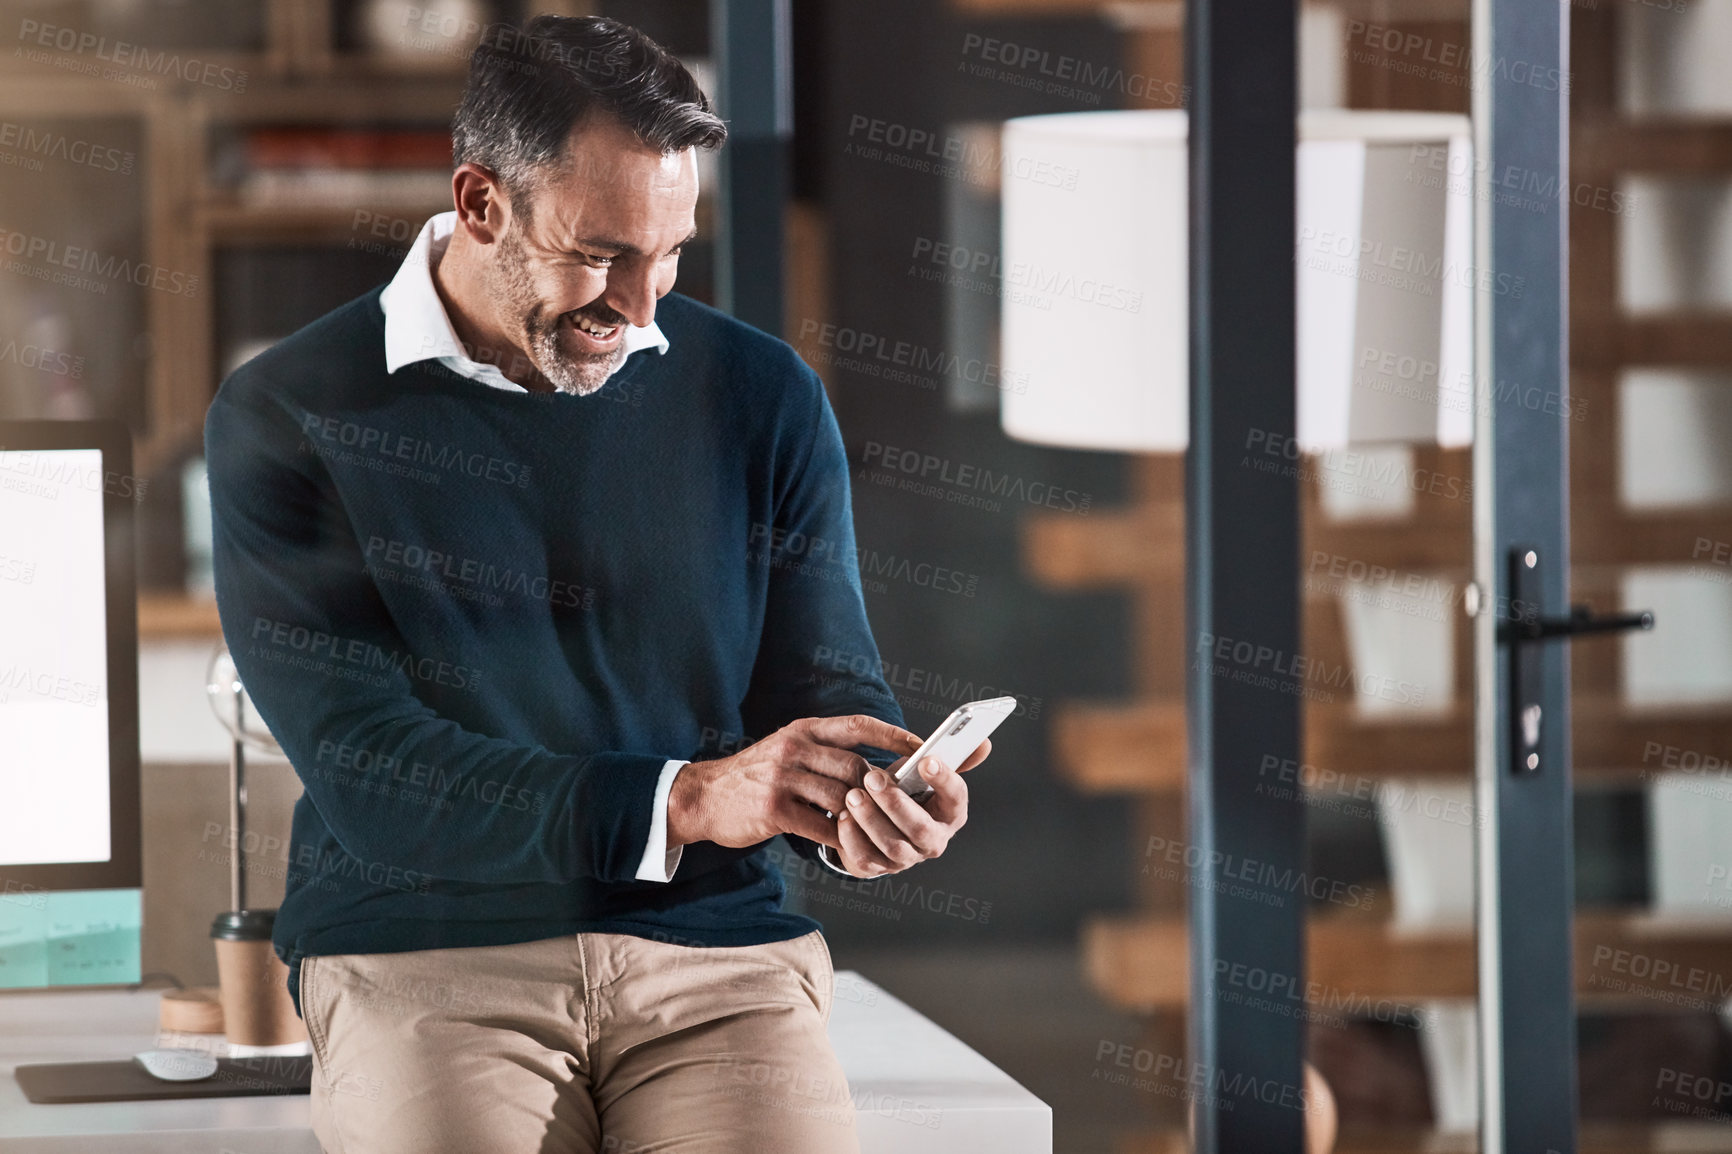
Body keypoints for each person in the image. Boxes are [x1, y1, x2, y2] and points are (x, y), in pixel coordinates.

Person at [205, 15, 989, 1154]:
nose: (641, 303)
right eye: (600, 251)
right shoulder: (289, 414)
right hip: (423, 953)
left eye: (670, 251)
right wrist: (685, 797)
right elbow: (375, 774)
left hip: (714, 955)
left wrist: (866, 800)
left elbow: (818, 696)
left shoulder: (759, 394)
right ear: (481, 202)